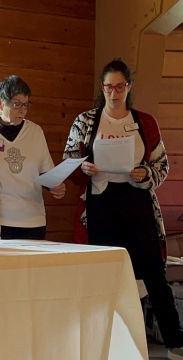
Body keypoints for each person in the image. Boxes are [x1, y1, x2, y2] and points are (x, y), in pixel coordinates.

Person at [63, 58, 183, 357]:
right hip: (100, 205)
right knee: (101, 274)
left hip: (137, 203)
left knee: (154, 273)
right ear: (101, 88)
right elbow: (69, 161)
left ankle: (174, 340)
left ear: (128, 87)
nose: (113, 93)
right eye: (108, 87)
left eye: (119, 86)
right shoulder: (86, 121)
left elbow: (162, 163)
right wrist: (84, 169)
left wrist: (146, 174)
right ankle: (98, 342)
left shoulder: (146, 122)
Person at [0, 75, 65, 240]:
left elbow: (45, 172)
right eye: (16, 104)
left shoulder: (35, 132)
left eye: (26, 105)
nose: (22, 110)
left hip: (32, 219)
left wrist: (56, 186)